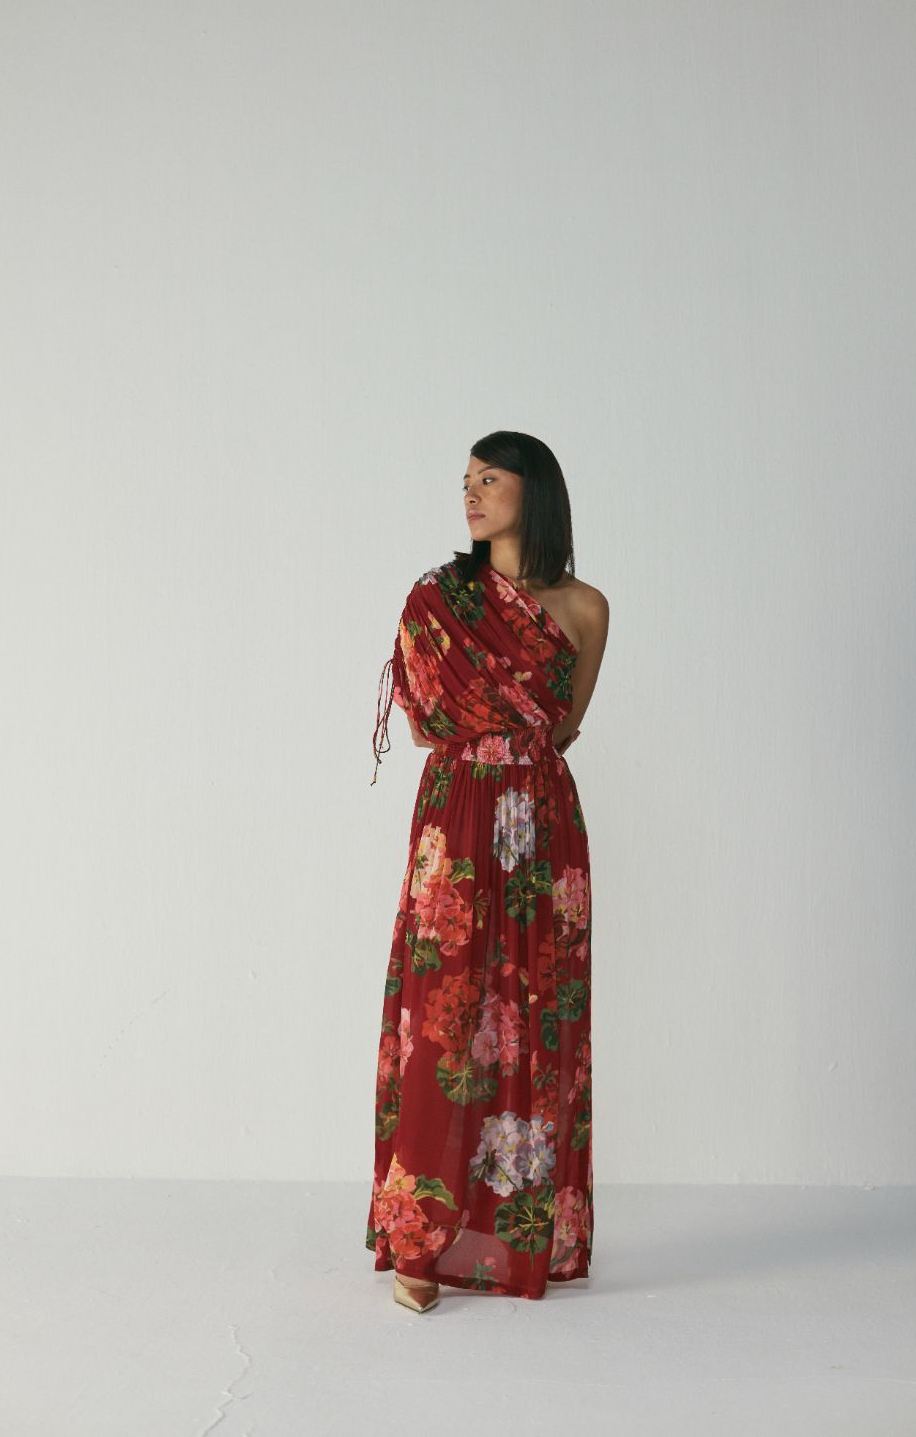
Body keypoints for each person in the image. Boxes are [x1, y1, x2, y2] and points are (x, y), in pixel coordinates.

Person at [366, 430, 610, 1312]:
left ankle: (517, 1238)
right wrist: (496, 736)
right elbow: (426, 724)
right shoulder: (438, 599)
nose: (469, 494)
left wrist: (508, 738)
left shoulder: (585, 607)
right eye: (464, 481)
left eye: (489, 479)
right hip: (459, 813)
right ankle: (419, 1240)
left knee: (537, 1016)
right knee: (446, 1019)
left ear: (533, 491)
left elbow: (563, 724)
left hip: (543, 823)